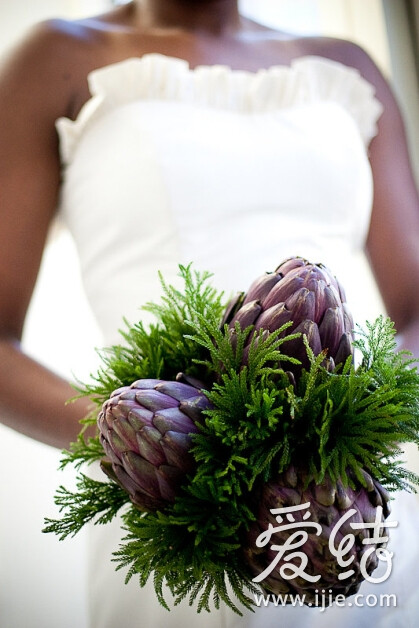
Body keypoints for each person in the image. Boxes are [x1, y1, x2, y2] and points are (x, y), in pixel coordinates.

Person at [1, 0, 419, 626]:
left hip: (343, 496)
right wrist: (149, 436)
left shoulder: (346, 67)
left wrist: (360, 416)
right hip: (171, 503)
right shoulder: (57, 58)